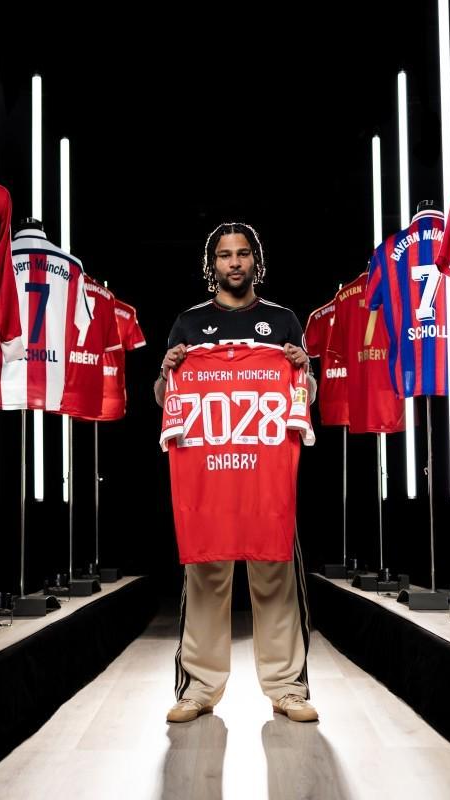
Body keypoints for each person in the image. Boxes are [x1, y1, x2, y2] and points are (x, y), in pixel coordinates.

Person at [155, 221, 318, 723]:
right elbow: (166, 402)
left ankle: (288, 689)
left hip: (264, 478)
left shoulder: (283, 321)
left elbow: (305, 395)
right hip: (210, 479)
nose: (234, 263)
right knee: (205, 575)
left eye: (243, 254)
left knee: (276, 575)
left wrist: (303, 368)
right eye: (225, 255)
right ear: (213, 265)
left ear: (255, 261)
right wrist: (166, 372)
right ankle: (198, 689)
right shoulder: (188, 324)